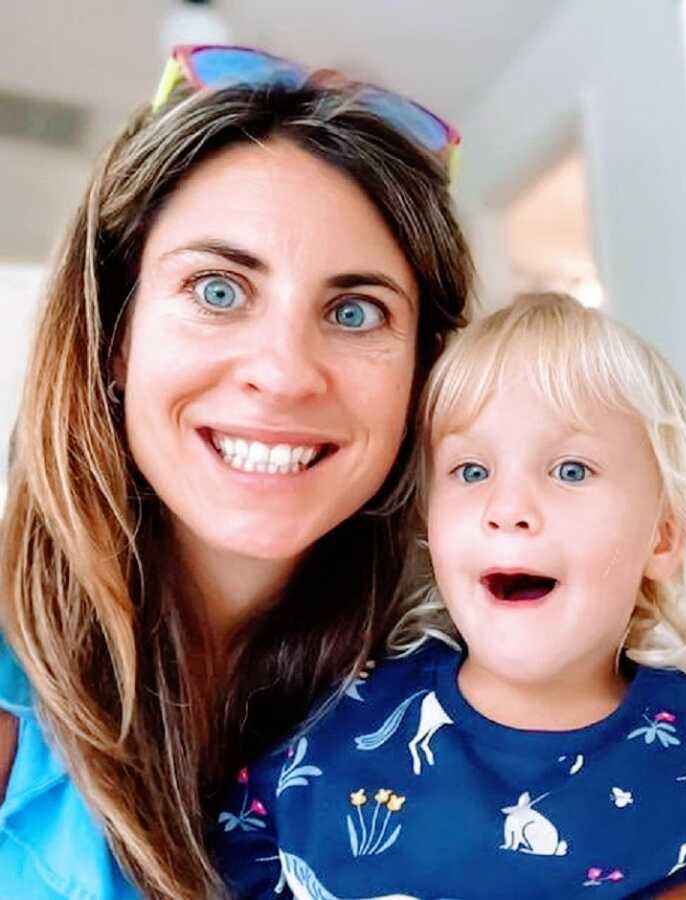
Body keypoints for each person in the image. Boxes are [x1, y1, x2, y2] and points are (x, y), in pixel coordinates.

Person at [0, 45, 473, 899]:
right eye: (218, 290)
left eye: (356, 311)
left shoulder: (480, 675)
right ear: (115, 336)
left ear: (422, 375)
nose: (285, 371)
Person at [214, 293, 686, 899]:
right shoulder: (336, 731)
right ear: (429, 531)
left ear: (663, 537)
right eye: (472, 471)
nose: (508, 508)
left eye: (570, 469)